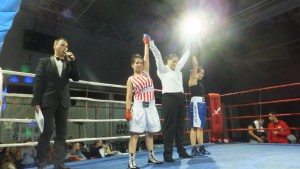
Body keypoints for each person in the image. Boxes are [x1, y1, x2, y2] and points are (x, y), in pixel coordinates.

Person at [32, 38, 80, 169]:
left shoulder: (68, 63)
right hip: (47, 101)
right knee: (46, 132)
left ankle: (58, 163)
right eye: (62, 45)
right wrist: (36, 102)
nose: (65, 47)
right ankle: (41, 162)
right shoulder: (44, 62)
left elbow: (76, 78)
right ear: (55, 46)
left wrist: (73, 61)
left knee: (61, 133)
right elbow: (38, 82)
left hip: (63, 102)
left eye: (67, 45)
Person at [149, 40, 192, 162]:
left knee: (180, 126)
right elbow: (157, 57)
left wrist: (189, 47)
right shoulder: (163, 69)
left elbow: (184, 59)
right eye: (173, 61)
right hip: (169, 98)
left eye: (176, 61)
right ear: (168, 61)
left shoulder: (178, 68)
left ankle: (181, 151)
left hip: (180, 98)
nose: (175, 63)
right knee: (169, 127)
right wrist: (152, 45)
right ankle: (167, 154)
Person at [125, 34, 163, 169]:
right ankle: (131, 161)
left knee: (150, 133)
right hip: (139, 106)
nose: (140, 64)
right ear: (132, 65)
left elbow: (147, 57)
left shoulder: (146, 72)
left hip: (151, 106)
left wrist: (146, 43)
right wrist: (128, 110)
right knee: (135, 134)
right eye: (137, 62)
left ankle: (151, 157)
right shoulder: (131, 79)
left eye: (141, 63)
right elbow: (129, 96)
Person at [188, 56, 210, 156]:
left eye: (203, 74)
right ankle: (193, 148)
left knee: (200, 127)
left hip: (201, 104)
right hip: (196, 104)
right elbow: (194, 68)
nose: (202, 75)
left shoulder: (200, 83)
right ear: (196, 72)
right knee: (194, 127)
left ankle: (201, 147)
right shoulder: (193, 80)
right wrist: (195, 65)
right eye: (201, 73)